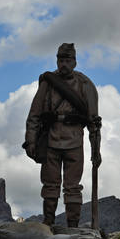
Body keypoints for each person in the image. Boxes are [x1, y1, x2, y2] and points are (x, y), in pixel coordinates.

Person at [24, 43, 101, 227]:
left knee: (73, 187)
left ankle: (72, 226)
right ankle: (48, 223)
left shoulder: (85, 84)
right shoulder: (48, 83)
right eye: (61, 60)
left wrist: (95, 150)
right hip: (50, 139)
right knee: (50, 185)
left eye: (68, 60)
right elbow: (34, 114)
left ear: (74, 62)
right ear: (57, 61)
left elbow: (94, 121)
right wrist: (30, 141)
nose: (64, 64)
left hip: (75, 140)